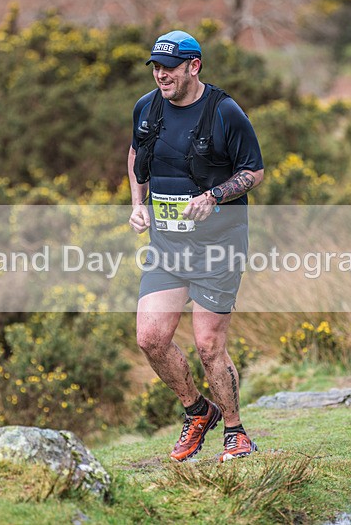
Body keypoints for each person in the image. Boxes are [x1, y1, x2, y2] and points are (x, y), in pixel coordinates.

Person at [127, 30, 265, 462]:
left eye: (169, 67)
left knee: (208, 346)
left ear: (194, 66)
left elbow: (253, 172)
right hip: (167, 247)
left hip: (219, 246)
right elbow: (135, 155)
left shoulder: (225, 112)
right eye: (156, 66)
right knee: (150, 338)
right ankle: (196, 411)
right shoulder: (146, 108)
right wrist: (137, 204)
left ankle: (236, 431)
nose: (161, 74)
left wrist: (215, 197)